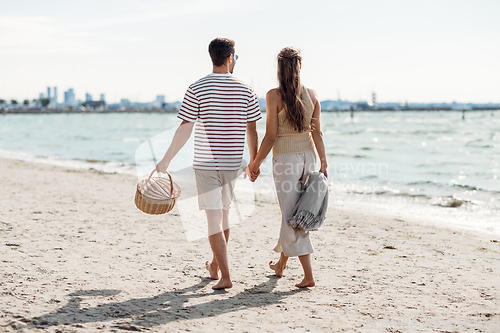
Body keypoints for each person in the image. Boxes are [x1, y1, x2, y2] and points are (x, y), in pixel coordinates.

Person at [156, 38, 261, 290]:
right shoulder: (247, 90)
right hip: (232, 162)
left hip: (206, 162)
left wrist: (165, 160)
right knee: (224, 216)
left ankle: (224, 275)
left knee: (215, 219)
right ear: (230, 58)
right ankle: (216, 267)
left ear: (212, 57)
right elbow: (253, 131)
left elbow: (185, 128)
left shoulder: (197, 88)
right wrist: (254, 162)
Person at [247, 47, 327, 288]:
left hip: (286, 161)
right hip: (309, 157)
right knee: (297, 212)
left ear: (279, 69)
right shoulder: (312, 95)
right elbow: (317, 132)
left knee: (292, 217)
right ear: (300, 67)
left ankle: (308, 276)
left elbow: (270, 136)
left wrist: (255, 163)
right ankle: (281, 265)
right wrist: (324, 163)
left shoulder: (273, 96)